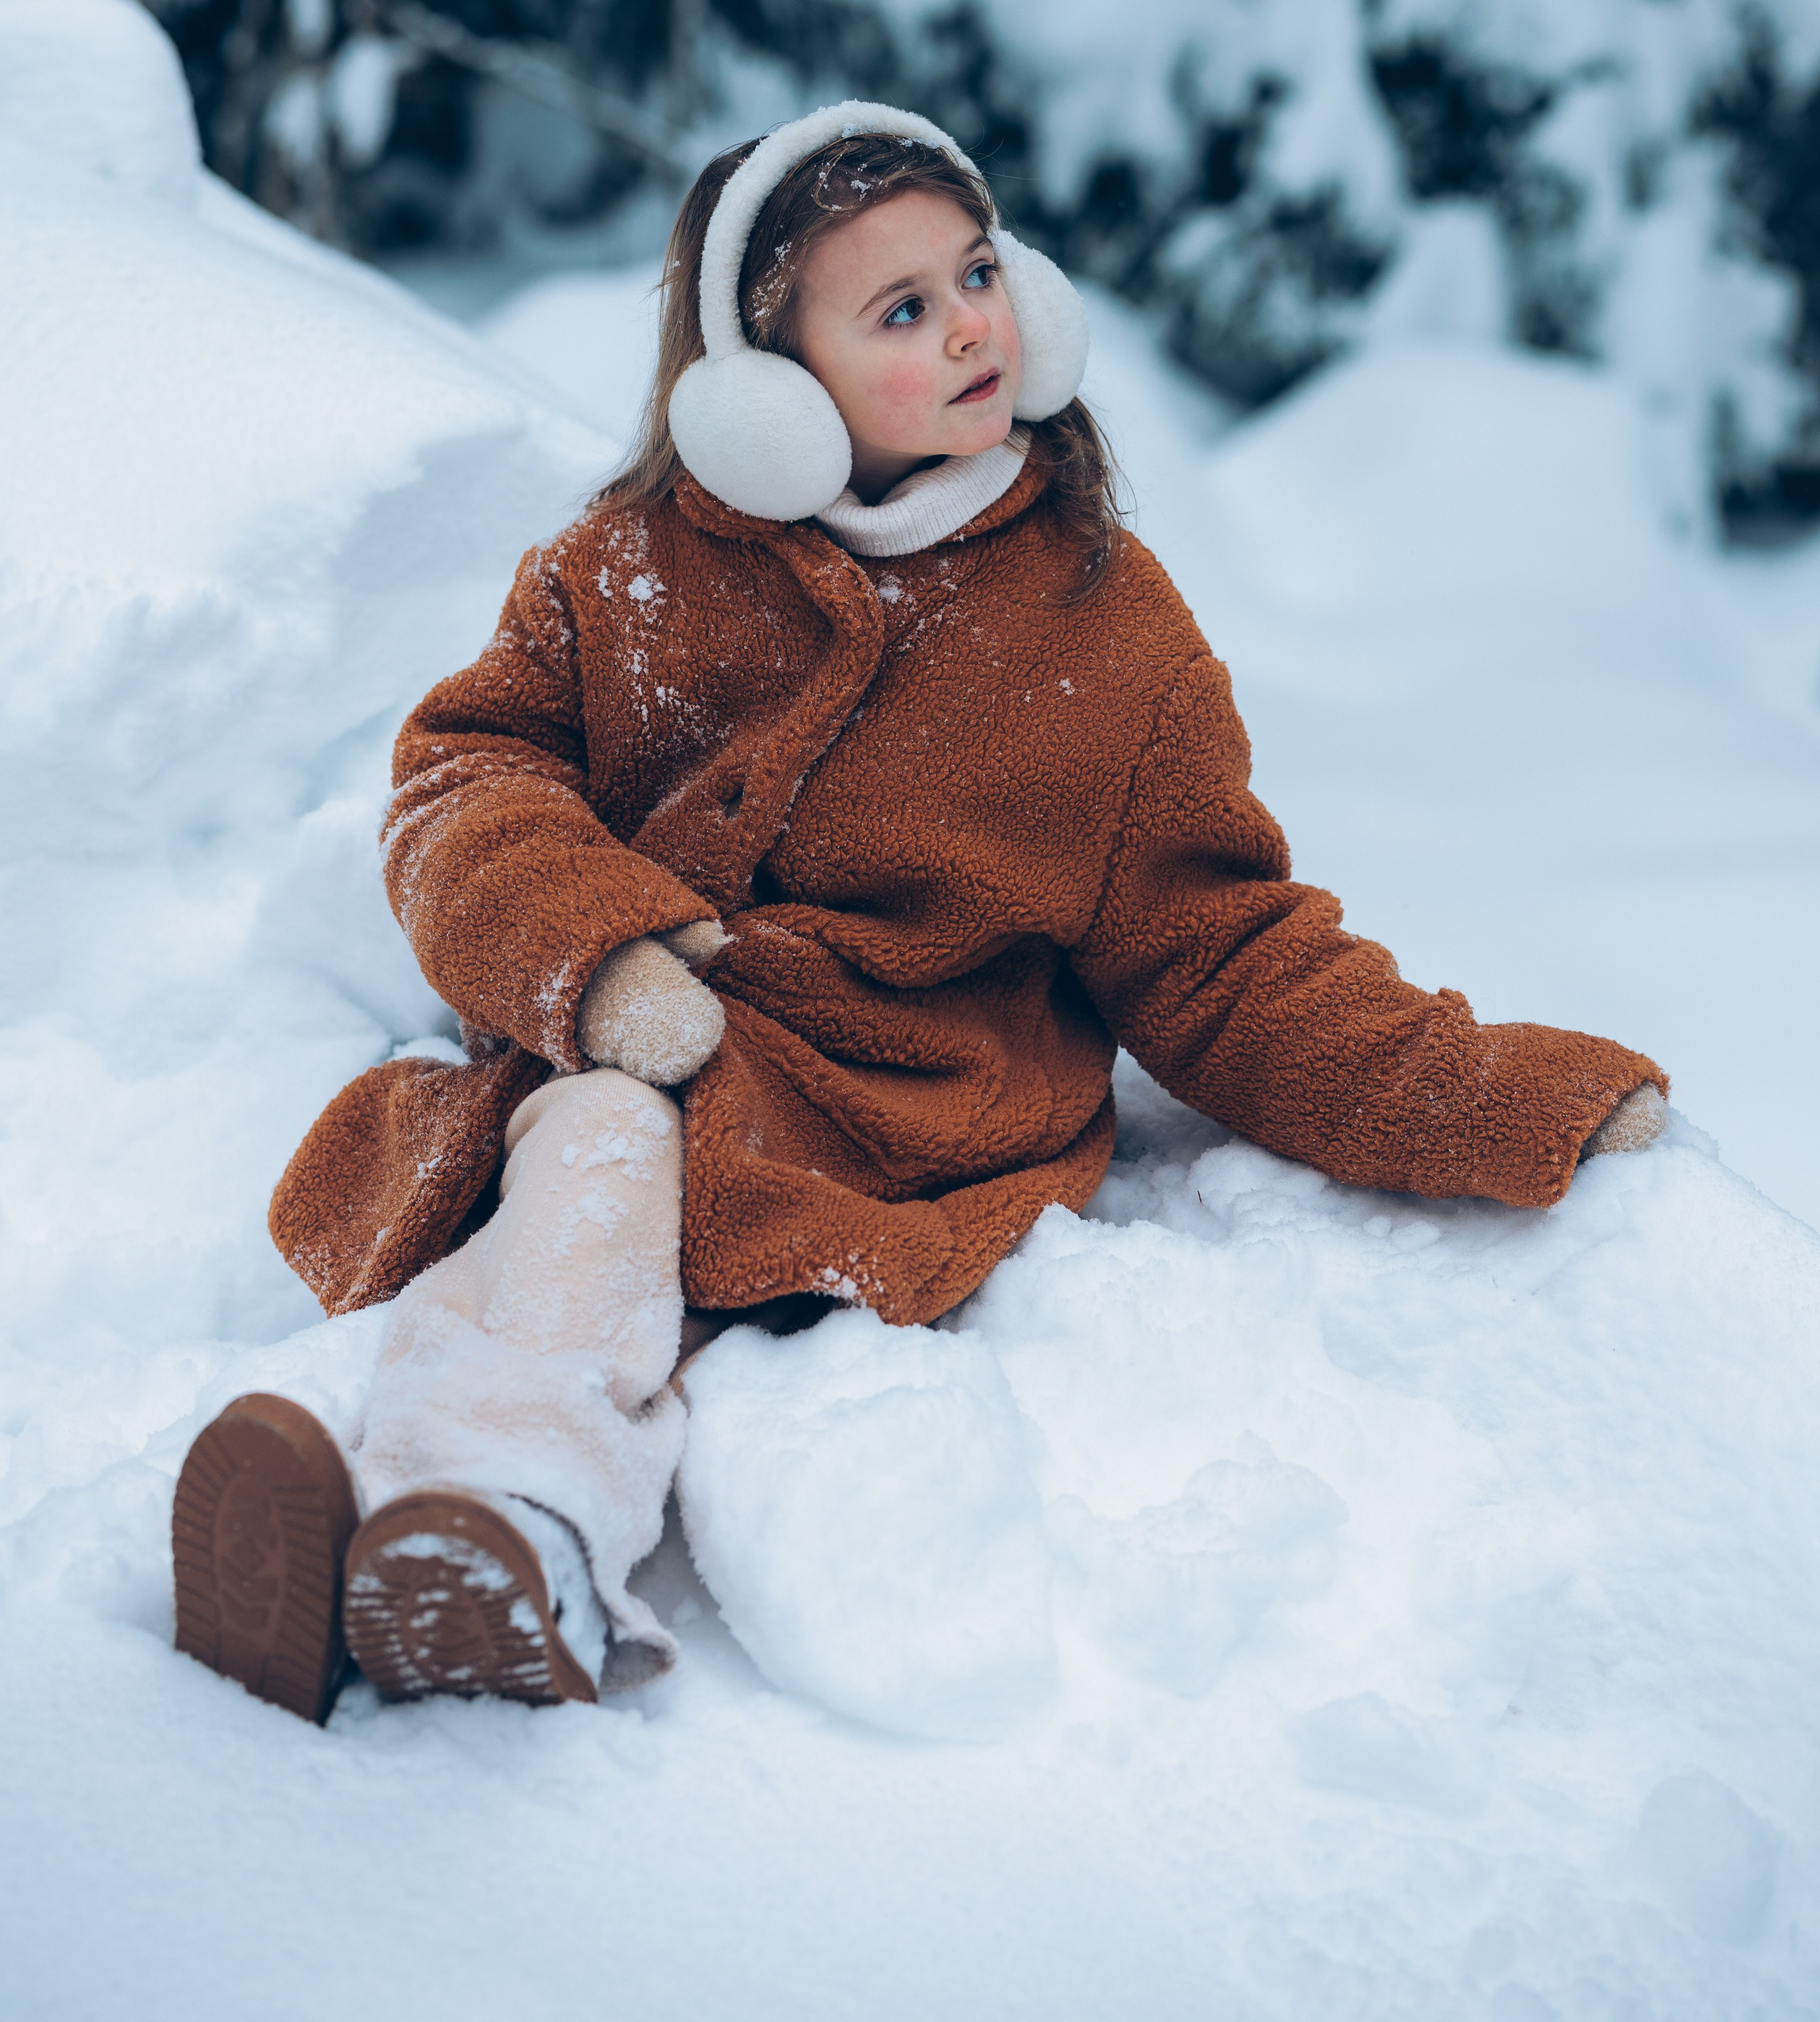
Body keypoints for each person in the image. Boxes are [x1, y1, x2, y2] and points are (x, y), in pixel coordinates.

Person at [171, 102, 1667, 1724]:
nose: (971, 324)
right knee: (582, 1165)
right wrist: (587, 950)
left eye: (976, 273)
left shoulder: (1105, 634)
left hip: (889, 1117)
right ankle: (406, 1523)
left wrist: (1480, 1094)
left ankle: (512, 1534)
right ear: (763, 392)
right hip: (631, 1058)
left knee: (600, 1187)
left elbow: (1223, 958)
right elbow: (464, 774)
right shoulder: (630, 573)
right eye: (900, 310)